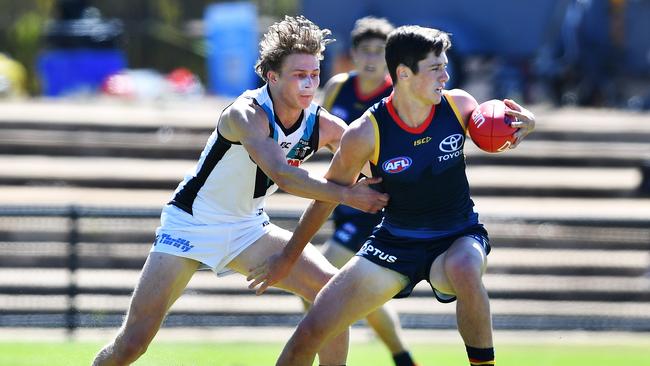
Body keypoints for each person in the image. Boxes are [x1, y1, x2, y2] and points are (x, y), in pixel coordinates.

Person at [92, 15, 389, 366]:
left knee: (331, 293)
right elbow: (282, 175)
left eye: (314, 75)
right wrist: (347, 195)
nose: (309, 84)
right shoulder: (246, 114)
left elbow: (375, 160)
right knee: (132, 344)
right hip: (191, 223)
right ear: (272, 76)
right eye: (299, 75)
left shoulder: (322, 124)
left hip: (247, 227)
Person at [248, 25, 536, 366]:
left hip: (457, 235)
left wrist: (525, 124)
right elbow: (326, 196)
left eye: (445, 66)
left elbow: (498, 130)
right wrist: (289, 257)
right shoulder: (365, 134)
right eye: (436, 68)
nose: (446, 76)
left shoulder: (459, 105)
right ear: (404, 73)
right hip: (394, 242)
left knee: (464, 266)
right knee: (309, 333)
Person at [318, 16, 416, 366]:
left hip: (378, 201)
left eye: (380, 51)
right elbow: (323, 135)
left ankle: (324, 342)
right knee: (361, 291)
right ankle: (403, 358)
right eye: (365, 51)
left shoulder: (399, 94)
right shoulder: (338, 87)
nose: (372, 58)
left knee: (320, 274)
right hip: (346, 196)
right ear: (353, 55)